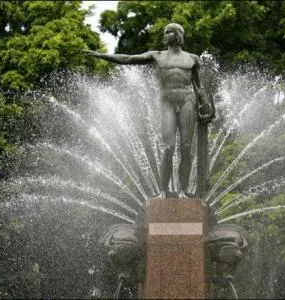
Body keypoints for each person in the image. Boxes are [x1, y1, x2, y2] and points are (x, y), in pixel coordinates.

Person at [83, 23, 211, 199]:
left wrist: (204, 103)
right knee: (168, 147)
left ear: (177, 35)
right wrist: (103, 56)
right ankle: (163, 191)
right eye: (164, 33)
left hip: (188, 100)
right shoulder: (157, 56)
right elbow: (128, 59)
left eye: (168, 33)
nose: (164, 36)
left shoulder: (192, 59)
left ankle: (182, 191)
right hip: (167, 102)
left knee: (186, 147)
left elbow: (198, 85)